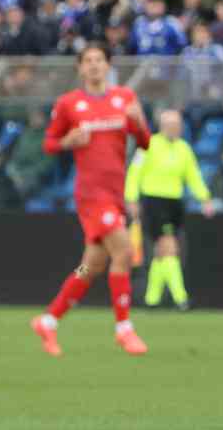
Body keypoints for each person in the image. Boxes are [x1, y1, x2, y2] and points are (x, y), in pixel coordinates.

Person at [31, 43, 151, 357]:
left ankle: (49, 320)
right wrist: (68, 141)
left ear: (108, 65)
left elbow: (146, 144)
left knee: (91, 266)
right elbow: (48, 143)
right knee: (123, 251)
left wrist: (139, 123)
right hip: (91, 195)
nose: (95, 65)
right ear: (80, 68)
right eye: (88, 61)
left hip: (114, 193)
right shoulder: (70, 103)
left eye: (100, 60)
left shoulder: (124, 98)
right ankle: (124, 328)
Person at [124, 108, 215, 311]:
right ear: (163, 126)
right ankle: (180, 298)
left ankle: (152, 299)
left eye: (178, 125)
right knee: (170, 247)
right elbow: (134, 174)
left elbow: (193, 176)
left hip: (175, 202)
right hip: (155, 202)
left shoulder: (184, 148)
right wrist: (131, 199)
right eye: (172, 125)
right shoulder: (147, 145)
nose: (176, 129)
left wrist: (205, 198)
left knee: (161, 252)